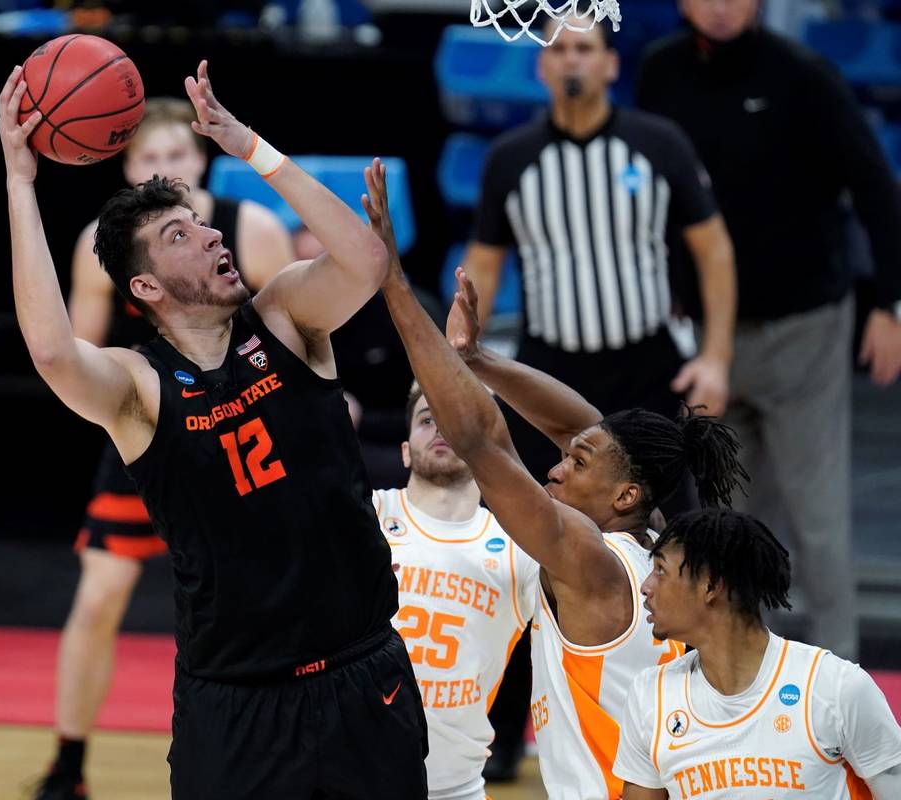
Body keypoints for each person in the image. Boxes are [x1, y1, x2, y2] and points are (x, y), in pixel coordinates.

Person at [0, 61, 427, 799]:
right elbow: (52, 351)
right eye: (178, 234)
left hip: (363, 673)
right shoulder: (137, 387)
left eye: (200, 222)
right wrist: (19, 181)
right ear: (145, 286)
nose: (206, 236)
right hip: (236, 700)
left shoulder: (287, 315)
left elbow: (366, 258)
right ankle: (68, 760)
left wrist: (251, 147)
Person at [363, 163, 748, 800]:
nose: (555, 466)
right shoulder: (646, 537)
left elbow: (481, 439)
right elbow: (585, 426)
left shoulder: (587, 561)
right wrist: (479, 359)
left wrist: (395, 283)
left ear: (624, 496)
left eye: (576, 466)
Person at [36, 97, 294, 800]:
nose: (165, 169)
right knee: (97, 599)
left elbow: (295, 339)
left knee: (257, 603)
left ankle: (278, 748)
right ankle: (67, 762)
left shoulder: (252, 229)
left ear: (200, 159)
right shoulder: (104, 244)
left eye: (176, 155)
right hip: (153, 425)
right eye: (150, 159)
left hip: (246, 428)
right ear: (128, 169)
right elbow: (82, 354)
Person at [636, 0, 901, 661]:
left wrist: (887, 304)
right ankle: (746, 672)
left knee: (817, 513)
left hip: (802, 326)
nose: (722, 5)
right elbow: (643, 188)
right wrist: (666, 284)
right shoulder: (660, 73)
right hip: (706, 339)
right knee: (734, 518)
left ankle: (842, 673)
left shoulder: (804, 76)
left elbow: (876, 187)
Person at [462, 18, 737, 492]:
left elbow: (714, 251)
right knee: (537, 509)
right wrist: (460, 362)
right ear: (542, 66)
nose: (572, 58)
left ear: (611, 65)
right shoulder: (510, 158)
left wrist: (715, 358)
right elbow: (483, 267)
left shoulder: (658, 143)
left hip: (646, 369)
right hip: (548, 367)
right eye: (560, 48)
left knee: (673, 516)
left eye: (585, 48)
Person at [613, 509, 901, 798]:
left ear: (711, 585)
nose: (645, 586)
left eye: (661, 571)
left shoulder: (835, 688)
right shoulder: (650, 696)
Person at [378, 384, 541, 800]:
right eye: (427, 419)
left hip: (457, 789)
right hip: (354, 780)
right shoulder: (370, 516)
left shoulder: (518, 549)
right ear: (404, 450)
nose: (440, 429)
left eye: (454, 419)